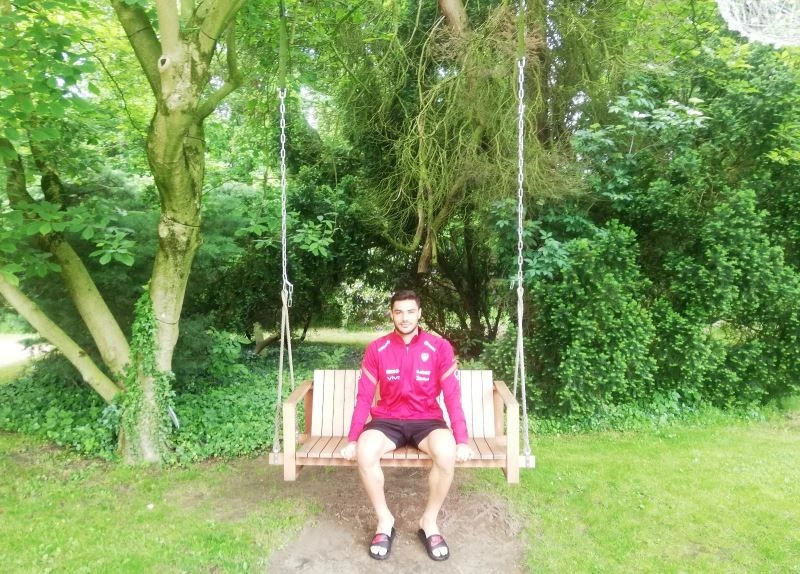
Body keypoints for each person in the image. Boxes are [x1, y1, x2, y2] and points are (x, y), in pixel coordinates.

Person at [340, 290, 473, 561]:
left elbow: (452, 396)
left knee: (447, 453)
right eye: (399, 312)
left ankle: (429, 521)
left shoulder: (439, 347)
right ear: (391, 314)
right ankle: (384, 521)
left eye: (410, 311)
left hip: (427, 420)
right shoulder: (377, 349)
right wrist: (353, 439)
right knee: (365, 451)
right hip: (387, 419)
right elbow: (364, 397)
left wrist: (461, 440)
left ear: (419, 313)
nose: (405, 318)